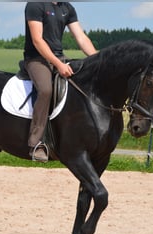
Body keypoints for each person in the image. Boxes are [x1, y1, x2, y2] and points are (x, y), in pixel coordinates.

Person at [23, 2, 97, 162]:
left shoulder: (67, 8)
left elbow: (81, 38)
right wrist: (58, 64)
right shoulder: (35, 5)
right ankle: (36, 143)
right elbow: (37, 40)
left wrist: (98, 59)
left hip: (59, 57)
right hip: (37, 59)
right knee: (45, 90)